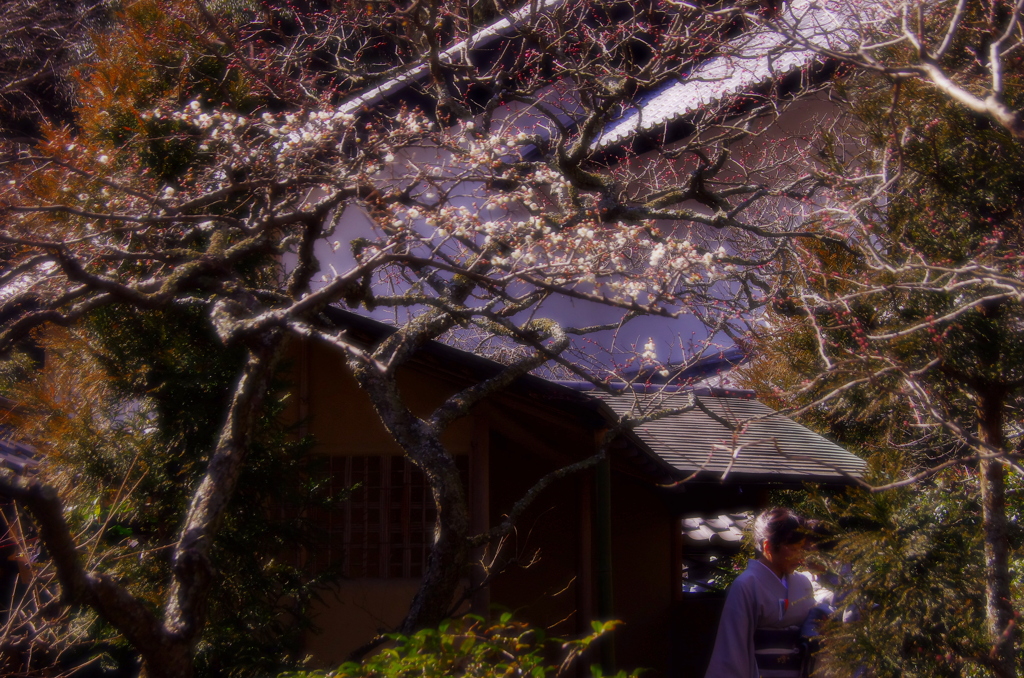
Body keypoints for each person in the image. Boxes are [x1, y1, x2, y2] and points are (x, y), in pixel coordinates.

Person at [704, 508, 817, 678]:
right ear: (768, 546)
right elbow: (733, 647)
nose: (801, 557)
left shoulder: (803, 582)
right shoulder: (746, 584)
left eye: (803, 548)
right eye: (794, 549)